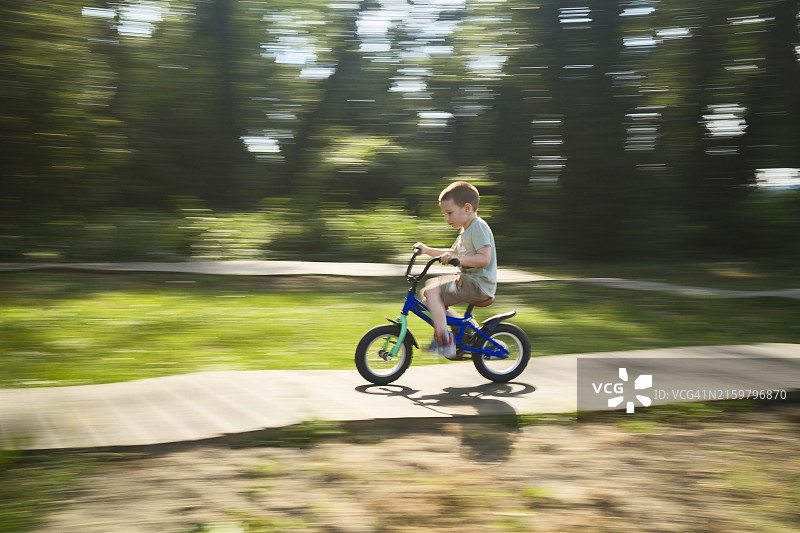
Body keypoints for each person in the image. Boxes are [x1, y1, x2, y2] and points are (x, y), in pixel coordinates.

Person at [414, 181, 497, 360]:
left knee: (432, 290)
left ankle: (444, 341)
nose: (446, 218)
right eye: (445, 214)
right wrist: (427, 250)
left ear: (467, 208)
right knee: (427, 294)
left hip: (479, 284)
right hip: (468, 281)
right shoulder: (465, 231)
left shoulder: (478, 226)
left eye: (449, 213)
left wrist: (459, 259)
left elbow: (485, 258)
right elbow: (452, 253)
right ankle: (463, 329)